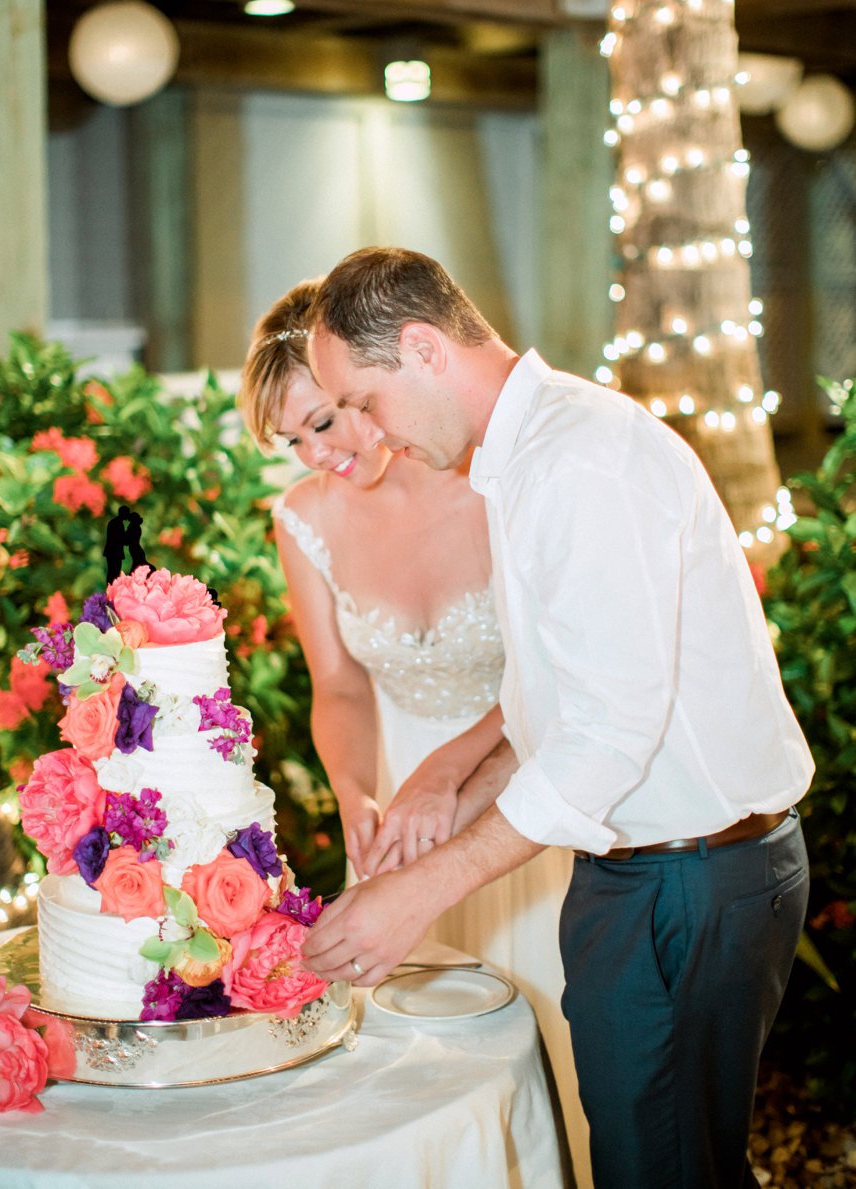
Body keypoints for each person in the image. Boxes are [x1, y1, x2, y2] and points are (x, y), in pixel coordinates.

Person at [300, 246, 815, 1189]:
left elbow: (609, 734)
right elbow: (563, 696)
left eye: (365, 401)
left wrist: (423, 893)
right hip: (646, 873)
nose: (368, 434)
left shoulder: (581, 460)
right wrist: (449, 790)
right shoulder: (522, 454)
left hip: (693, 877)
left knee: (662, 1170)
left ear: (422, 348)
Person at [238, 281, 588, 1187]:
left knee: (548, 1036)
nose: (326, 452)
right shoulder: (303, 520)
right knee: (409, 1066)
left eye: (332, 417)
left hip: (522, 789)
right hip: (399, 813)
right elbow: (341, 686)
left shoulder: (484, 476)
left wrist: (456, 761)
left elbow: (554, 665)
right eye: (297, 439)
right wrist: (355, 789)